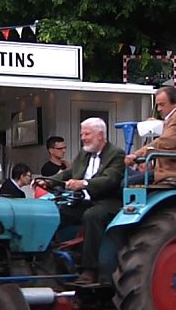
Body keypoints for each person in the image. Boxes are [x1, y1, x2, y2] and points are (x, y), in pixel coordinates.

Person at [48, 118, 125, 284]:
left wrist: (83, 183)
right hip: (84, 200)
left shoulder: (116, 154)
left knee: (92, 216)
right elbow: (69, 173)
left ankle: (90, 270)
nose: (83, 137)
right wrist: (49, 181)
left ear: (100, 135)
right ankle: (49, 259)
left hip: (108, 200)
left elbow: (110, 180)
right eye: (82, 134)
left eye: (86, 134)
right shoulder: (84, 153)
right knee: (54, 212)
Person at [124, 86, 176, 183]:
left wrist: (136, 155)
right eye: (158, 105)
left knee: (124, 183)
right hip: (175, 168)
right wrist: (160, 123)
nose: (159, 109)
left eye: (162, 105)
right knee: (122, 171)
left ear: (174, 102)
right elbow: (173, 131)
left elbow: (164, 142)